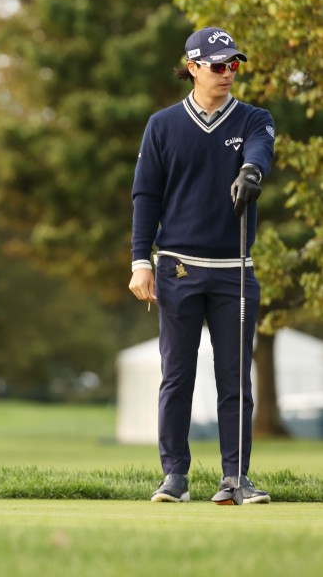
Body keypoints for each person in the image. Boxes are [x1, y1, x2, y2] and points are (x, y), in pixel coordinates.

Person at [128, 27, 275, 504]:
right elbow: (146, 196)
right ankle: (174, 475)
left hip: (235, 269)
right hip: (177, 268)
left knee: (235, 379)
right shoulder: (163, 125)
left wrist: (251, 172)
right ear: (192, 67)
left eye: (233, 64)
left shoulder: (254, 119)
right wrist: (139, 261)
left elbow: (261, 151)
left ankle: (235, 478)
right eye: (218, 65)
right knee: (178, 376)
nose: (227, 73)